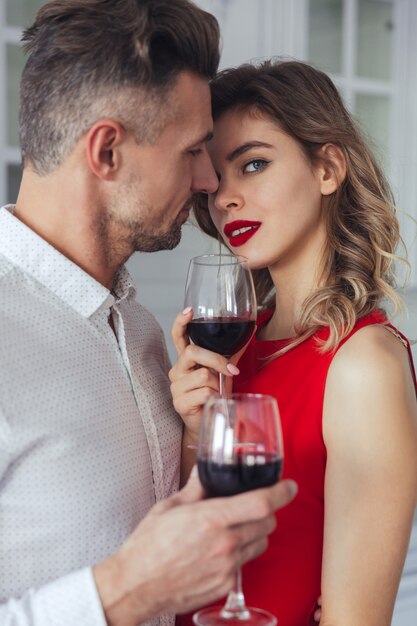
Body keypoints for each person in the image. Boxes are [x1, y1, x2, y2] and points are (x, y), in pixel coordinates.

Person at [0, 4, 298, 625]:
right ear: (106, 150)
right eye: (193, 150)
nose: (209, 180)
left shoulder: (136, 327)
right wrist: (125, 591)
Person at [170, 59, 417, 626]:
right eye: (216, 177)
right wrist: (193, 428)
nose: (225, 197)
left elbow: (355, 618)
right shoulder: (232, 348)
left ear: (328, 168)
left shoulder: (363, 365)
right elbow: (195, 548)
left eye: (253, 164)